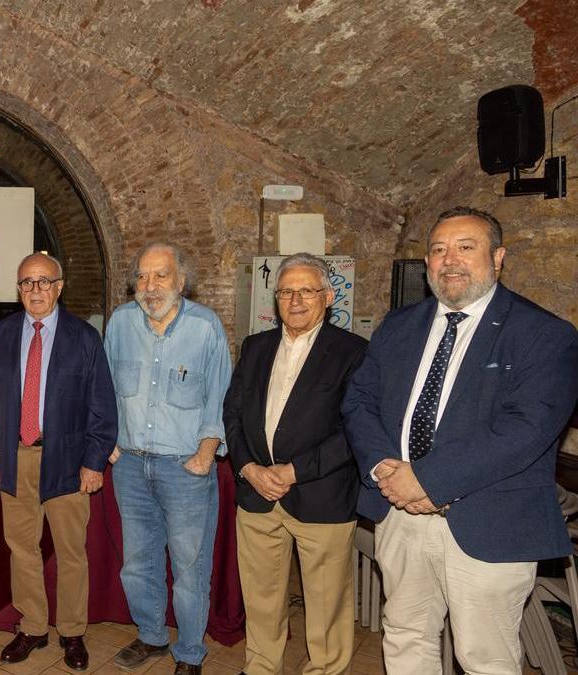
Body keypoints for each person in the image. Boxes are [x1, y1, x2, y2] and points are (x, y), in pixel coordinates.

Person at [342, 206, 578, 674]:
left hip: (487, 520)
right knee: (406, 635)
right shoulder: (399, 326)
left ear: (498, 257)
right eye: (438, 249)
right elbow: (359, 401)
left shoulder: (544, 335)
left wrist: (427, 479)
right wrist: (384, 471)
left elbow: (525, 430)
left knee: (484, 658)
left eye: (465, 248)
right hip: (399, 511)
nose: (449, 260)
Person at [223, 253, 367, 675]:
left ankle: (323, 669)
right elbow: (232, 414)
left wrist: (293, 471)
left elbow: (354, 431)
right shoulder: (255, 347)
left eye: (306, 290)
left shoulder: (353, 352)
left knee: (326, 605)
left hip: (321, 497)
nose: (296, 300)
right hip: (257, 495)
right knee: (262, 598)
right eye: (286, 291)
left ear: (327, 295)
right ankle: (262, 666)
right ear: (276, 299)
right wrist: (248, 467)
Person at [104, 242, 231, 675]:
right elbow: (103, 390)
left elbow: (221, 396)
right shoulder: (120, 323)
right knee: (137, 562)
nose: (150, 285)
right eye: (142, 276)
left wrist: (205, 454)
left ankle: (191, 653)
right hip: (131, 466)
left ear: (181, 281)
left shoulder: (206, 327)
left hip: (186, 469)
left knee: (190, 567)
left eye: (161, 275)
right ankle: (152, 636)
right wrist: (109, 442)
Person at [0, 252, 117, 670]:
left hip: (67, 461)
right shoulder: (2, 335)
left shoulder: (84, 337)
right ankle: (33, 627)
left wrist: (94, 461)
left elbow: (102, 405)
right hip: (15, 458)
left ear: (60, 286)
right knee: (21, 548)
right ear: (18, 290)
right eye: (27, 283)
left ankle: (73, 632)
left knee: (70, 551)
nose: (36, 290)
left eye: (44, 282)